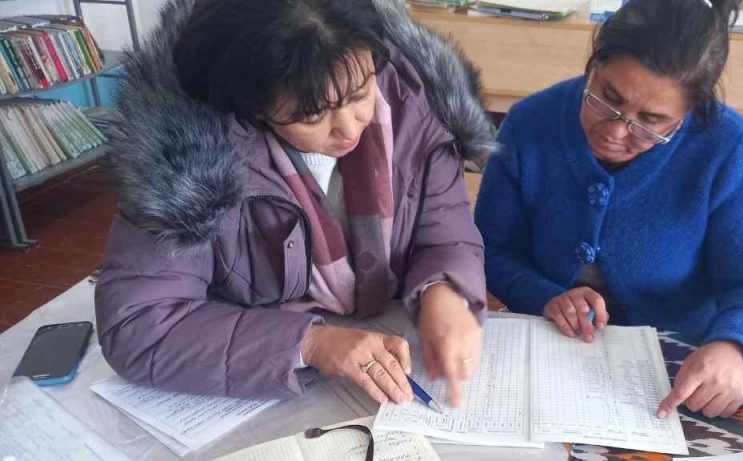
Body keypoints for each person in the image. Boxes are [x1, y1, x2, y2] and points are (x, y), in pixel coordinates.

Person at [94, 0, 495, 406]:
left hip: (385, 351)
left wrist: (444, 290)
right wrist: (309, 343)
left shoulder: (420, 108)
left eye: (361, 93)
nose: (348, 128)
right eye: (311, 116)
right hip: (261, 388)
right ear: (253, 105)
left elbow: (446, 235)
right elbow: (139, 325)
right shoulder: (183, 162)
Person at [475, 0, 743, 419]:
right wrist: (544, 295)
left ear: (689, 113)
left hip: (679, 370)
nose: (615, 131)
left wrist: (736, 347)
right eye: (606, 98)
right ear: (594, 63)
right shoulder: (529, 123)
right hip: (546, 355)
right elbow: (490, 250)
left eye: (649, 121)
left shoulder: (728, 147)